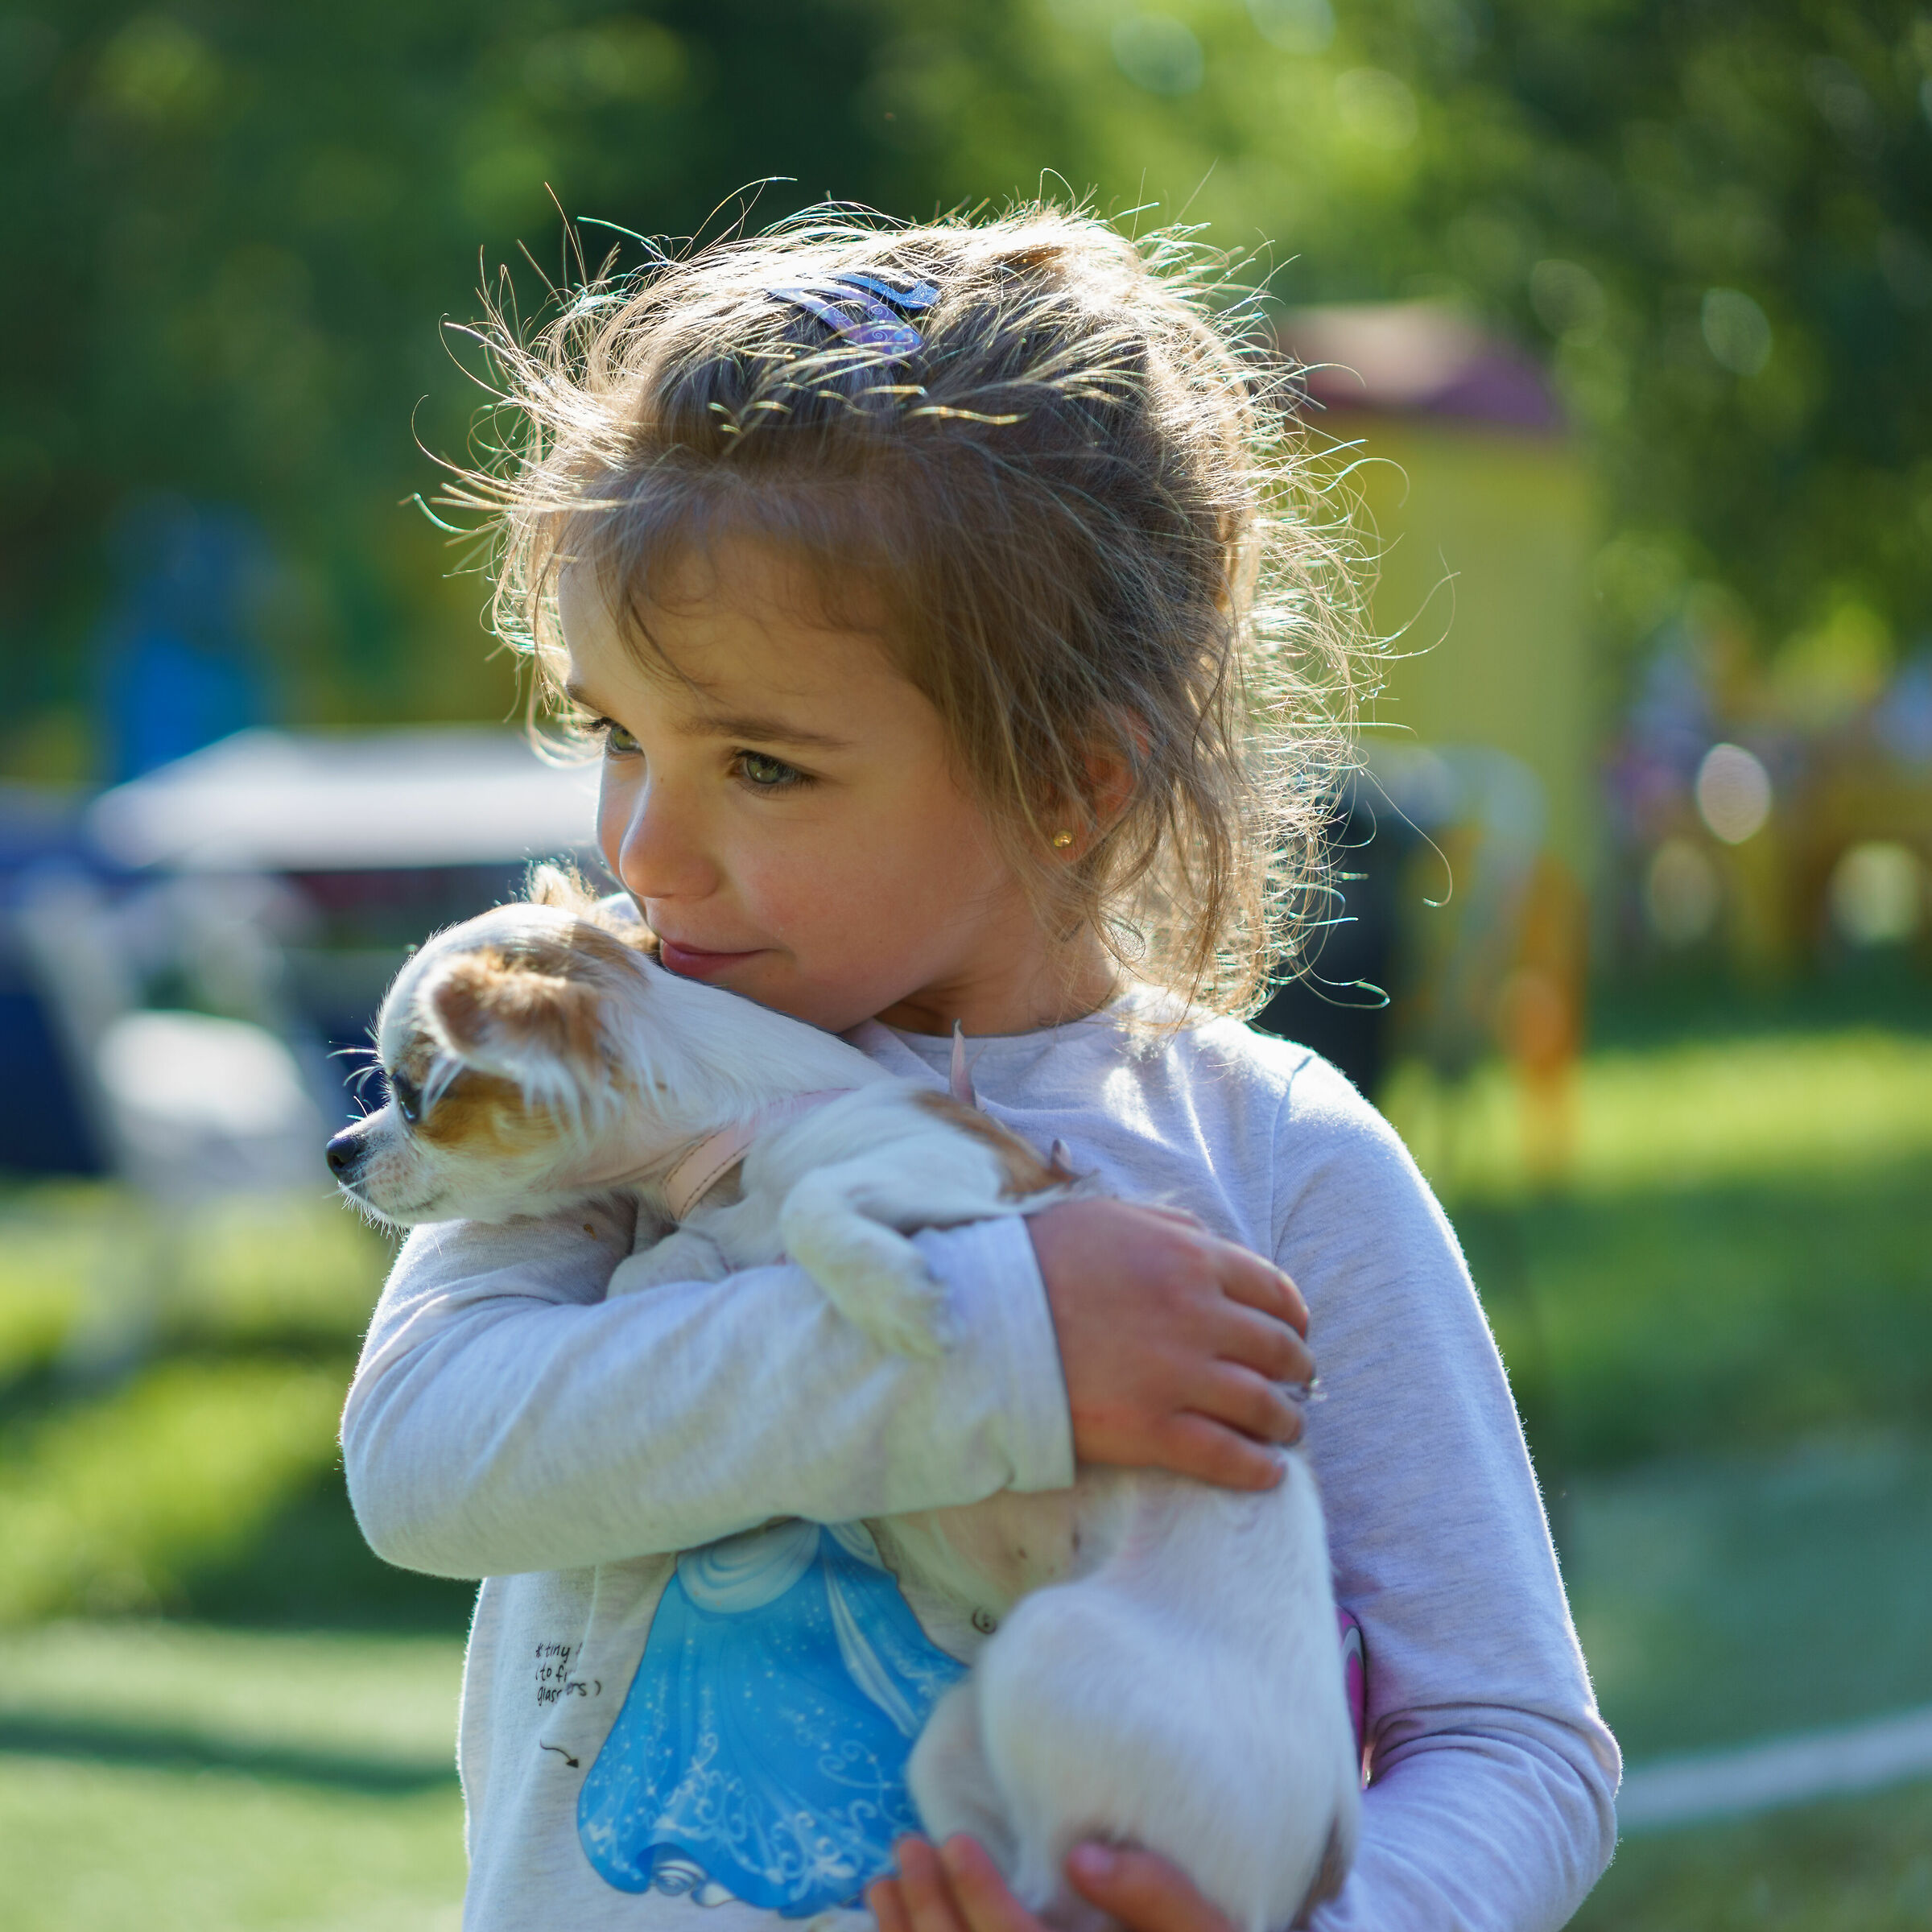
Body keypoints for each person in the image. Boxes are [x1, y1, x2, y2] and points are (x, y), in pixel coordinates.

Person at [341, 204, 1618, 1932]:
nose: (646, 846)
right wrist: (996, 1355)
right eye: (612, 733)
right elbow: (424, 1457)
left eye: (766, 767)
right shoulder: (616, 1071)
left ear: (1074, 780)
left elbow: (1505, 1735)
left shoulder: (1275, 1161)